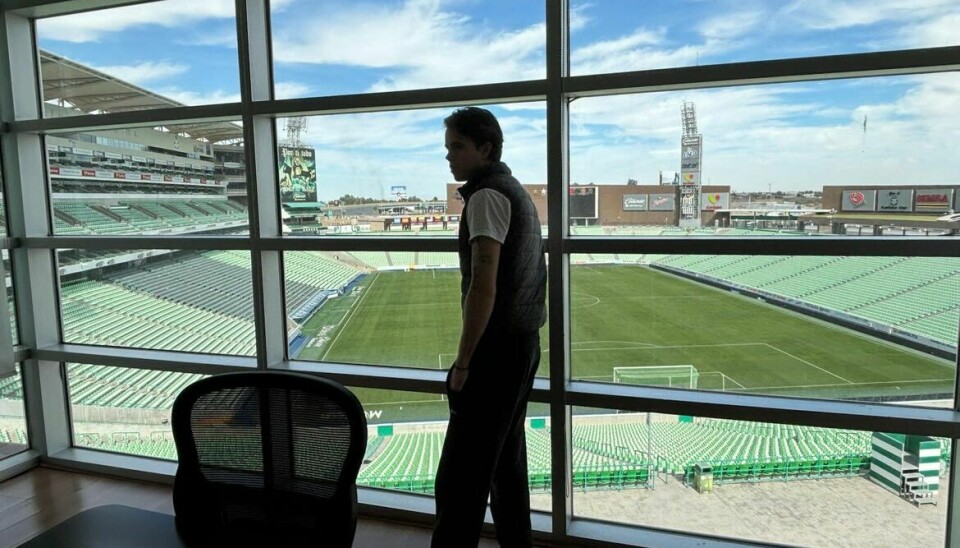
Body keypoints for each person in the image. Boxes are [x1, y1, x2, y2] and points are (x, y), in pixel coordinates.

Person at [432, 107, 547, 548]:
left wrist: (464, 362)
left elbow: (484, 285)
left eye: (457, 147)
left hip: (495, 352)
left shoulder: (486, 196)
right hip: (523, 344)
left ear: (485, 148)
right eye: (448, 148)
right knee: (506, 467)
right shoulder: (514, 190)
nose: (449, 157)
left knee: (461, 479)